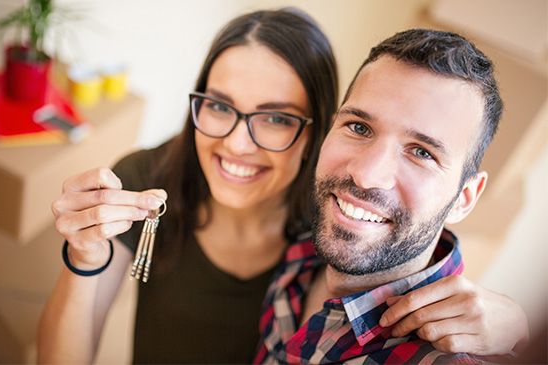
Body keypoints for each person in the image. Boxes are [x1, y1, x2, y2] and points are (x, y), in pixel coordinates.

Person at [37, 9, 527, 364]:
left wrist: (518, 329)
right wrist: (82, 257)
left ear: (315, 131)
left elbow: (411, 259)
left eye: (274, 118)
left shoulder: (334, 230)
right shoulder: (154, 177)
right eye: (219, 105)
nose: (234, 143)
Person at [254, 28, 529, 364]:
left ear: (465, 198)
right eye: (358, 127)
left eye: (422, 153)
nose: (368, 174)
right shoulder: (297, 253)